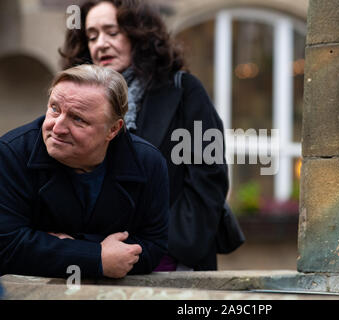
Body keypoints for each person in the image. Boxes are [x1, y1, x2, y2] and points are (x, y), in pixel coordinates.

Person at [59, 0, 233, 271]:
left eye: (112, 32)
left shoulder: (184, 90)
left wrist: (160, 244)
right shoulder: (76, 104)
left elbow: (208, 178)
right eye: (91, 36)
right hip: (98, 260)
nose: (100, 44)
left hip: (171, 262)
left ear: (139, 34)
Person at [0, 64, 169, 279]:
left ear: (113, 129)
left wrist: (68, 247)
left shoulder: (148, 163)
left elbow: (153, 246)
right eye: (54, 108)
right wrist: (95, 256)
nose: (57, 127)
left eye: (78, 119)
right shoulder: (11, 154)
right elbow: (7, 245)